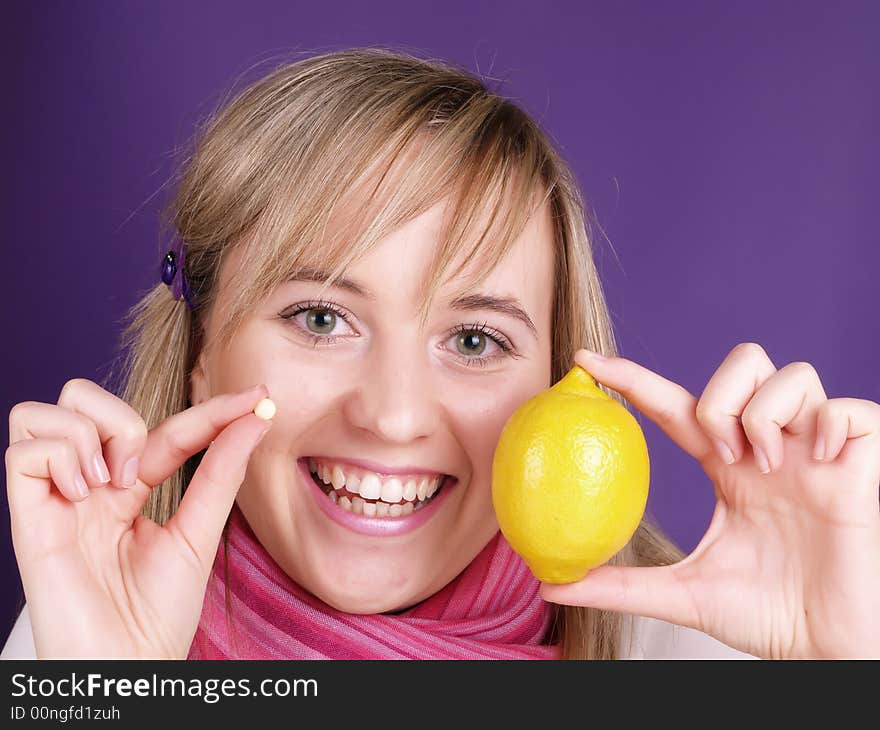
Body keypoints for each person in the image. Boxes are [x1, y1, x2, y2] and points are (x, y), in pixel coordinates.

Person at [3, 48, 878, 661]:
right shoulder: (81, 647)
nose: (392, 416)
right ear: (202, 350)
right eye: (319, 318)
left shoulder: (711, 663)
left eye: (473, 338)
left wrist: (847, 664)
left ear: (553, 382)